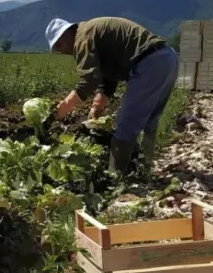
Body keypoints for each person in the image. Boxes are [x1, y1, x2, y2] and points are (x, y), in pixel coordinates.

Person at [45, 16, 179, 174]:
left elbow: (89, 80)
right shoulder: (92, 31)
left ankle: (116, 176)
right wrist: (96, 108)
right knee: (149, 120)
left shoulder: (83, 37)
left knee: (126, 124)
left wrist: (62, 108)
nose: (61, 51)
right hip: (167, 59)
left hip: (150, 63)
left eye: (59, 45)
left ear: (67, 33)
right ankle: (145, 168)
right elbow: (108, 78)